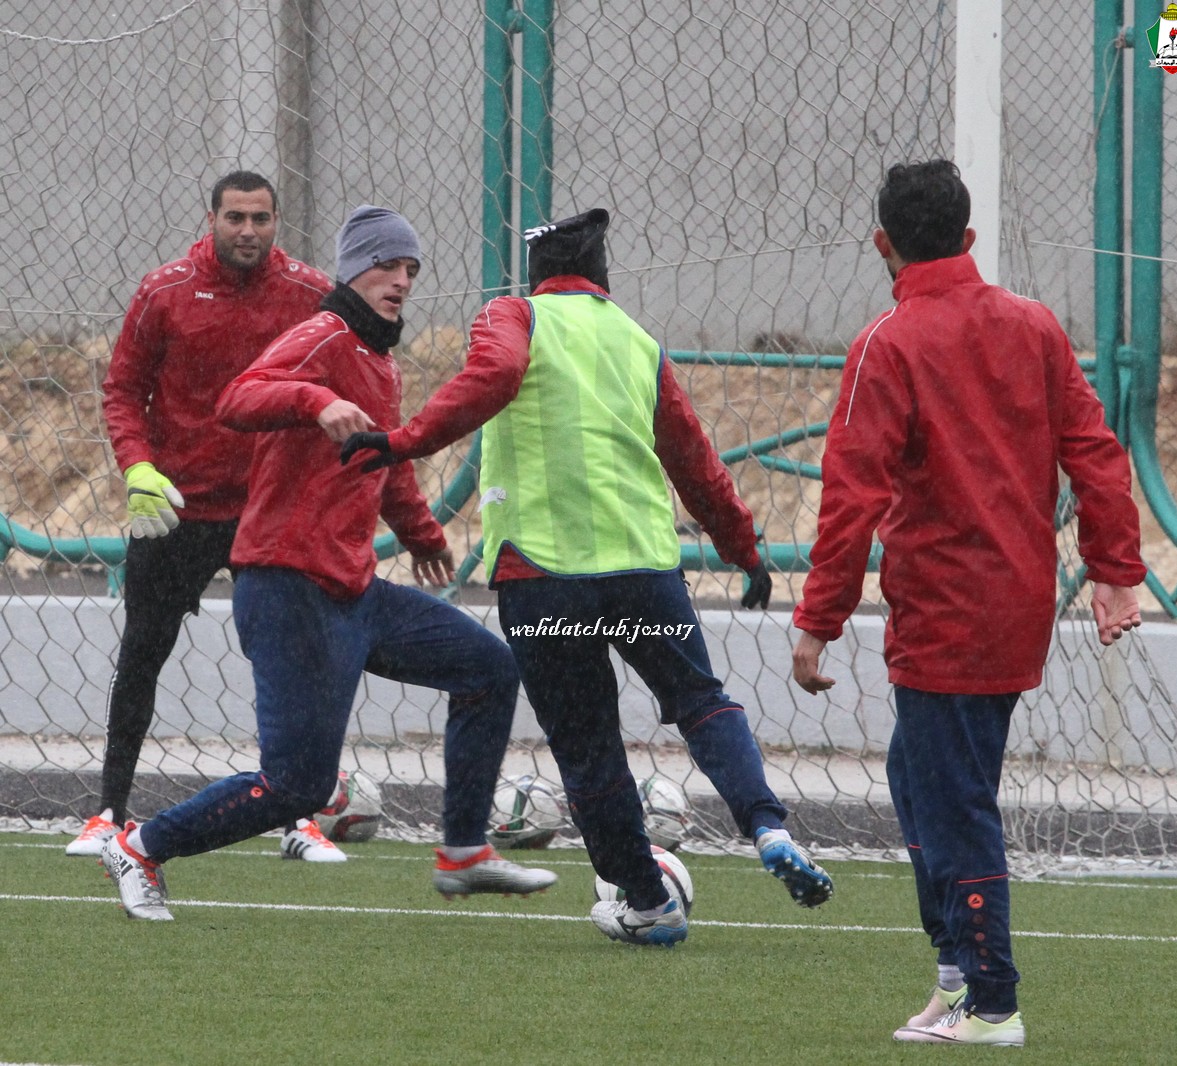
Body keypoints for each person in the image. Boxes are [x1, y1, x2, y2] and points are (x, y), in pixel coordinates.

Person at [340, 208, 833, 947]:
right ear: (603, 276)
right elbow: (695, 460)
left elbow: (494, 374)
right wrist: (746, 551)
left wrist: (402, 441)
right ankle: (767, 827)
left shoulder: (514, 315)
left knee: (588, 745)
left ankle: (648, 902)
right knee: (700, 700)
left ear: (535, 273)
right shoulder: (636, 340)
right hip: (644, 571)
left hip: (545, 578)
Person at [99, 204, 557, 920]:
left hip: (353, 591)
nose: (401, 280)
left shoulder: (379, 360)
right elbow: (237, 398)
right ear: (353, 271)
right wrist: (314, 401)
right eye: (386, 265)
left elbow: (384, 458)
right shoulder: (323, 334)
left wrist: (421, 533)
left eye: (411, 269)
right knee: (296, 786)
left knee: (488, 669)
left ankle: (465, 852)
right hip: (288, 587)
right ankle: (140, 846)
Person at [789, 161, 1146, 1046]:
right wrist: (1114, 568)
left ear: (883, 243)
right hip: (1018, 604)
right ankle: (955, 975)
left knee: (954, 803)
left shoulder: (889, 344)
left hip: (945, 610)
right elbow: (1095, 452)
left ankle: (991, 1001)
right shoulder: (1034, 325)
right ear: (970, 236)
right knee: (918, 780)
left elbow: (851, 497)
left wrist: (818, 620)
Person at [71, 171, 347, 863]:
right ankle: (107, 814)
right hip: (178, 510)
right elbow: (123, 389)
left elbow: (339, 387)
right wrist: (138, 467)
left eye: (260, 218)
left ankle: (299, 818)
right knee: (143, 652)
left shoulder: (312, 294)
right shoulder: (164, 290)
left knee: (292, 658)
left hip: (268, 513)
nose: (248, 230)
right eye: (235, 218)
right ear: (212, 219)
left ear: (277, 222)